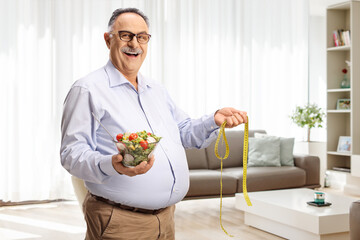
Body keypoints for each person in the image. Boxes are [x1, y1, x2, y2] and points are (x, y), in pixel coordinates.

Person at [60, 7, 247, 240]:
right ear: (108, 40)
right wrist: (112, 164)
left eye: (142, 37)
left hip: (166, 219)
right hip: (119, 221)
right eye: (125, 35)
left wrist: (213, 120)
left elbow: (183, 132)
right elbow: (71, 154)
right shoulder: (88, 89)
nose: (134, 44)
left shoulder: (156, 90)